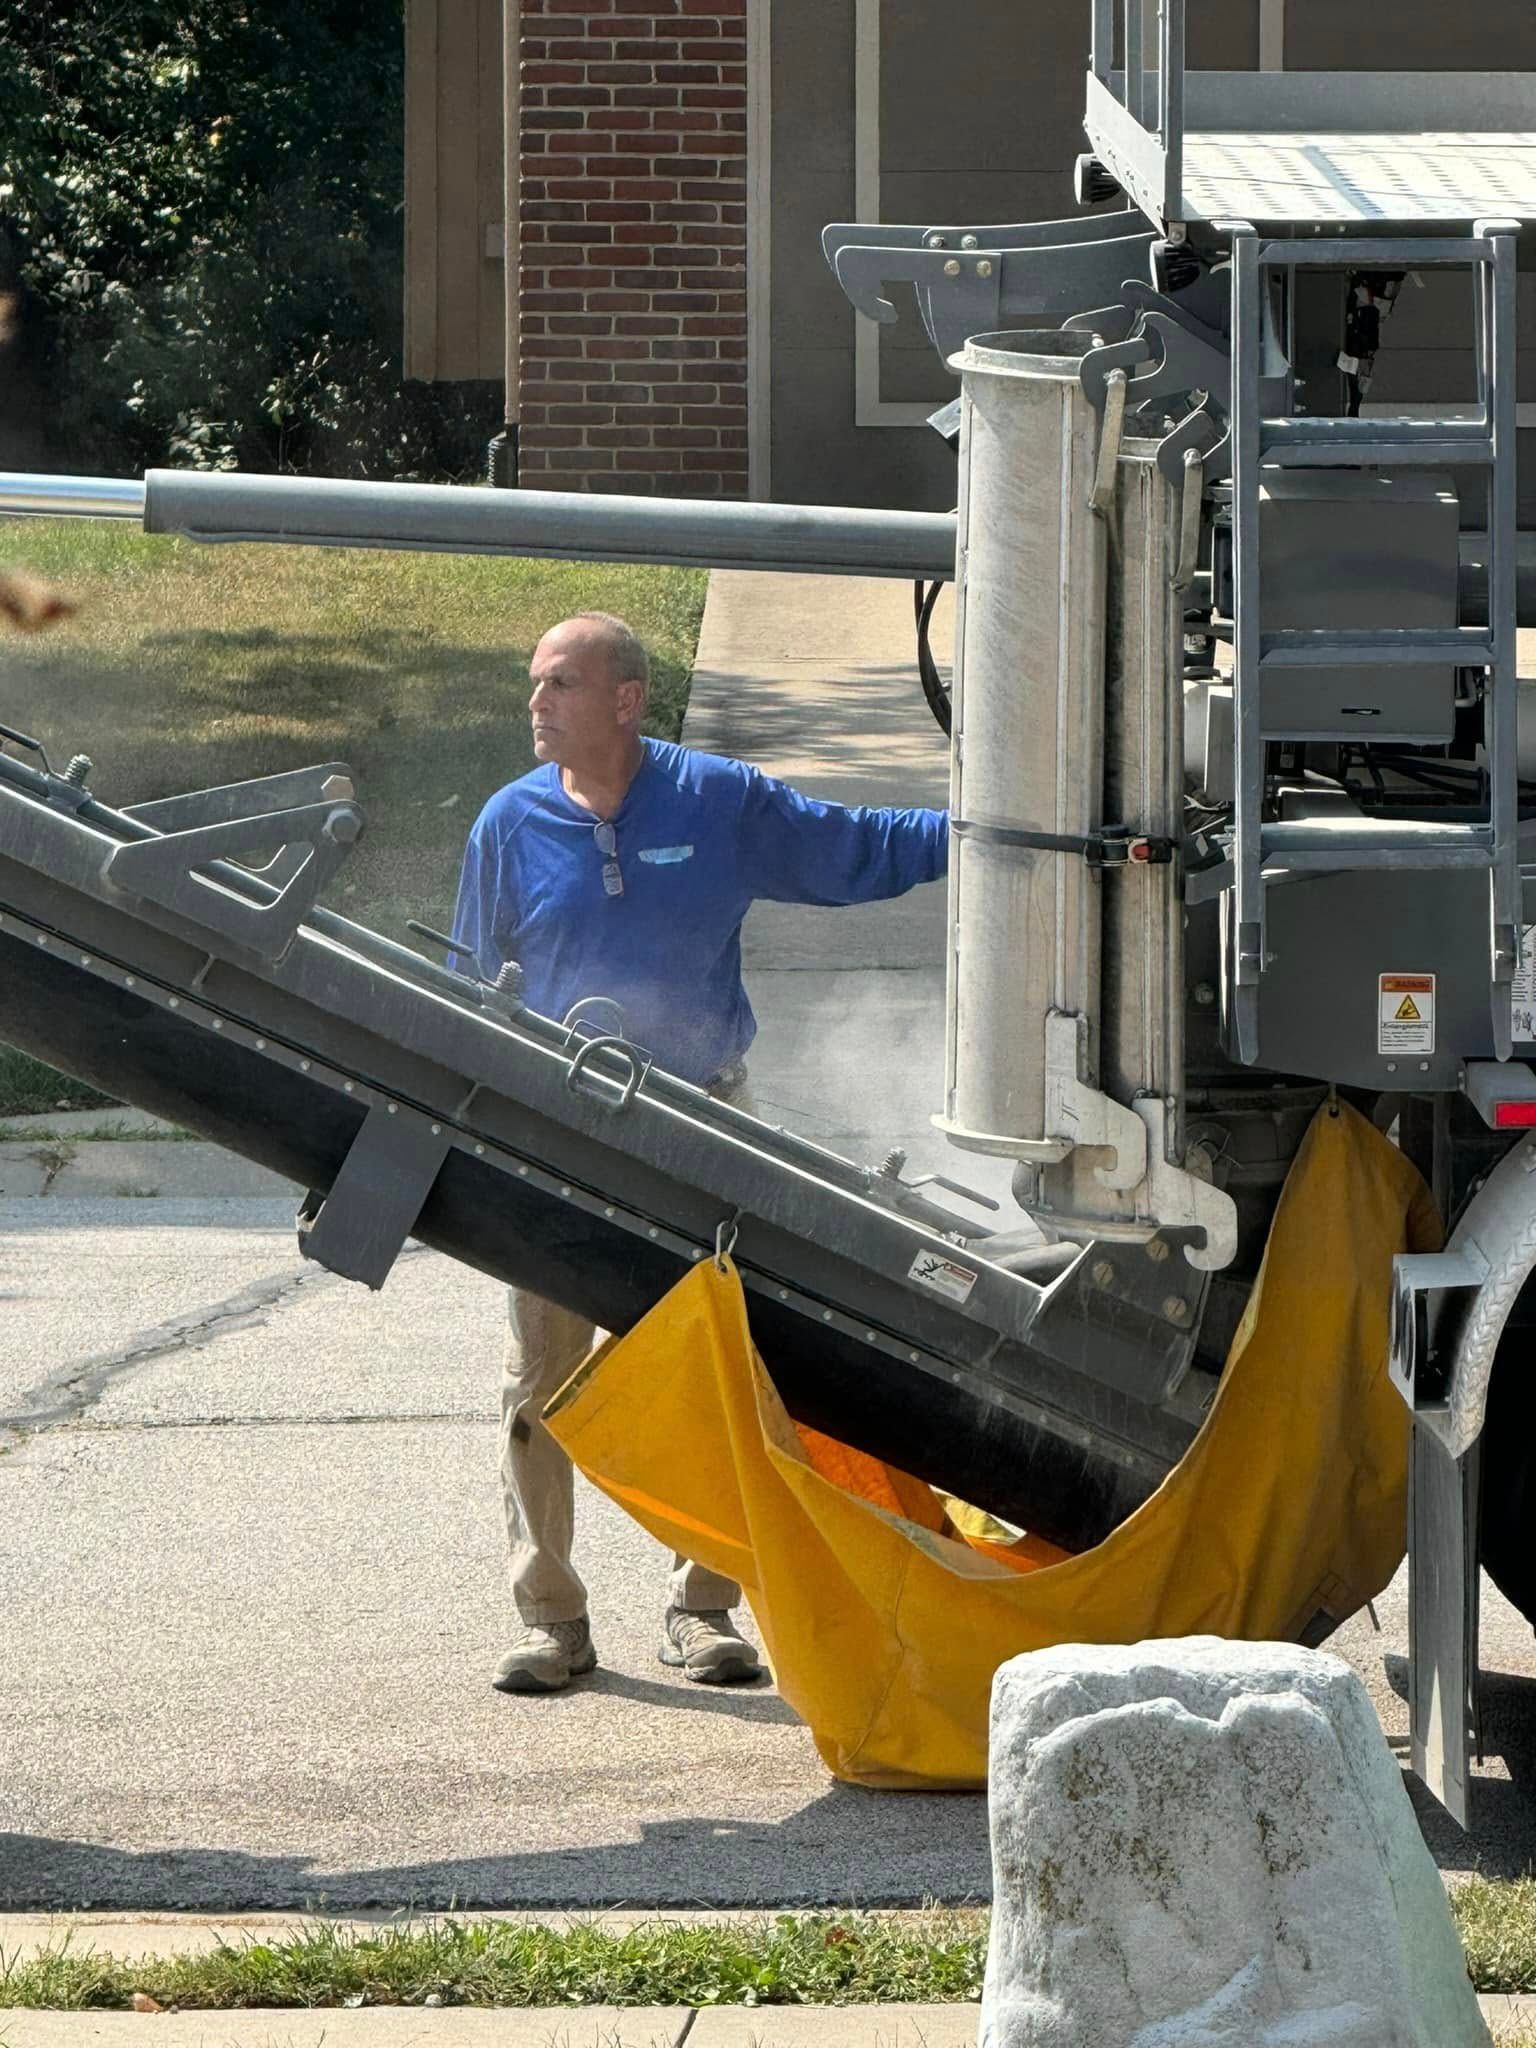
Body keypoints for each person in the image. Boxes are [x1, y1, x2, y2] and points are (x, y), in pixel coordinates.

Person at [453, 611, 948, 1695]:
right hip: (560, 1131)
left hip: (706, 1124)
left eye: (559, 683)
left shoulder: (716, 801)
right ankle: (551, 1616)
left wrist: (988, 831)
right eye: (534, 683)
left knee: (727, 1374)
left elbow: (851, 845)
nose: (535, 703)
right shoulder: (509, 823)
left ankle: (703, 1606)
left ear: (625, 701)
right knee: (541, 1376)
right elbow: (463, 986)